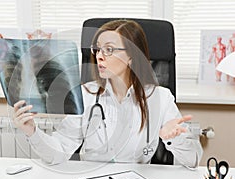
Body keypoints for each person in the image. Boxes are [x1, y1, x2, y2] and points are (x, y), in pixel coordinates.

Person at [13, 20, 203, 168]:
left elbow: (193, 160)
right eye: (97, 49)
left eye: (109, 50)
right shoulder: (85, 95)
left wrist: (174, 138)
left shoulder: (160, 98)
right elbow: (58, 153)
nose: (99, 56)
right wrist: (32, 131)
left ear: (131, 56)